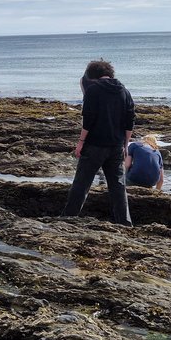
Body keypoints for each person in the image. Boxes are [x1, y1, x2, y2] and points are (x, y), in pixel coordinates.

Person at [61, 59, 135, 226]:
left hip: (94, 144)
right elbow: (130, 122)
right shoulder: (124, 91)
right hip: (116, 145)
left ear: (92, 76)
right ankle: (124, 223)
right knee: (118, 187)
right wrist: (125, 145)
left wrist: (80, 142)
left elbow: (88, 119)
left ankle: (68, 219)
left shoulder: (93, 90)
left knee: (82, 183)